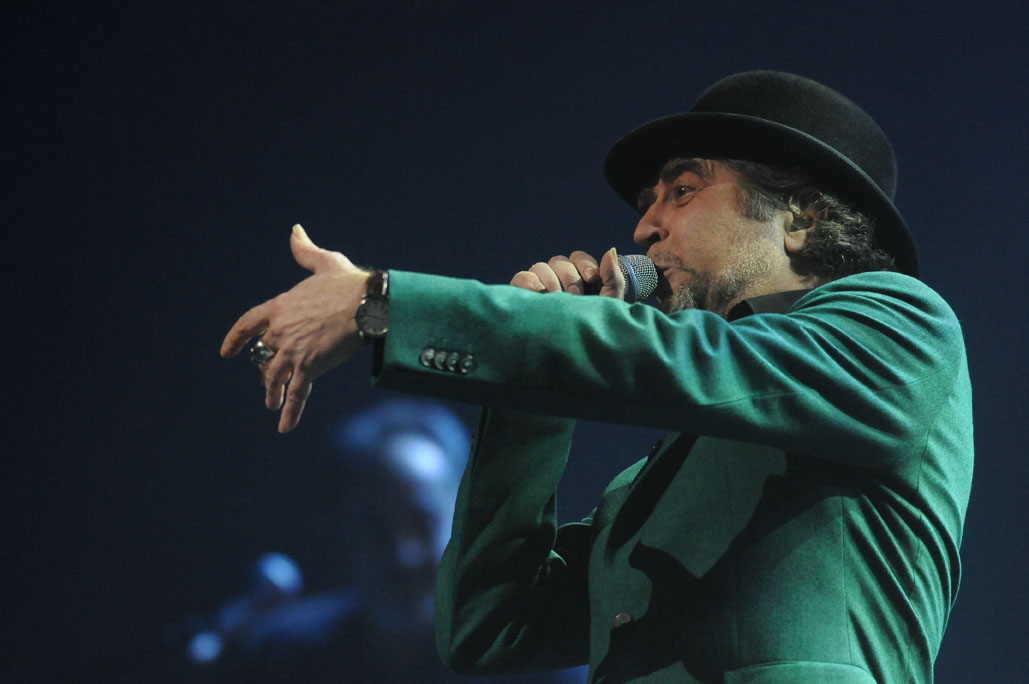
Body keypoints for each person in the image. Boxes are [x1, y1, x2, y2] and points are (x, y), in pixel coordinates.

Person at [221, 71, 973, 683]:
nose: (644, 226)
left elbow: (689, 364)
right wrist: (523, 405)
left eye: (681, 190)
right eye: (648, 201)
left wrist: (381, 302)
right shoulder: (650, 485)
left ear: (801, 217)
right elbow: (489, 630)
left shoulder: (898, 326)